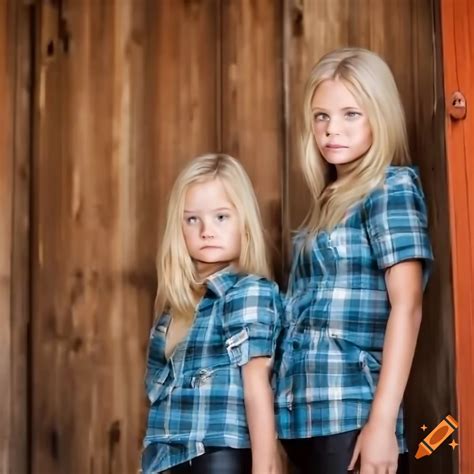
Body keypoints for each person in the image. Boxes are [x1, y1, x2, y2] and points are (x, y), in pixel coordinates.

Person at [274, 47, 433, 474]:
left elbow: (408, 305)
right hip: (302, 419)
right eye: (321, 115)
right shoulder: (325, 204)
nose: (331, 129)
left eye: (350, 114)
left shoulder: (390, 189)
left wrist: (381, 423)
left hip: (351, 413)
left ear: (378, 117)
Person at [141, 153, 282, 474]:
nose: (206, 231)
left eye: (221, 217)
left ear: (243, 220)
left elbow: (257, 387)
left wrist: (265, 468)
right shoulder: (173, 309)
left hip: (216, 457)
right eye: (193, 219)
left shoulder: (248, 292)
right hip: (165, 458)